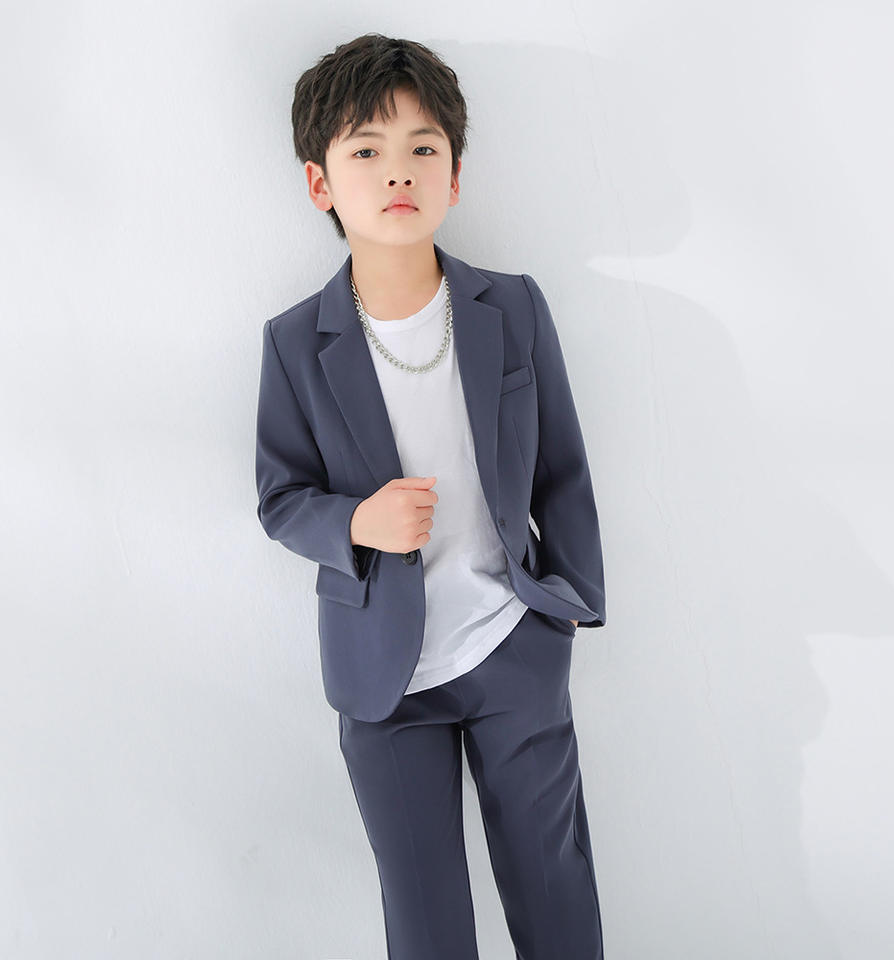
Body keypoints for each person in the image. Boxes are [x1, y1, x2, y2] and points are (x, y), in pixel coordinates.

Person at [255, 32, 607, 960]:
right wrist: (357, 522)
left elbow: (563, 467)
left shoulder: (513, 308)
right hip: (383, 674)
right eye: (366, 150)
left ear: (455, 174)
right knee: (424, 917)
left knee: (553, 883)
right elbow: (280, 497)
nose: (397, 171)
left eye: (423, 147)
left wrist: (569, 603)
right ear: (320, 184)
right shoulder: (294, 343)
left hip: (511, 642)